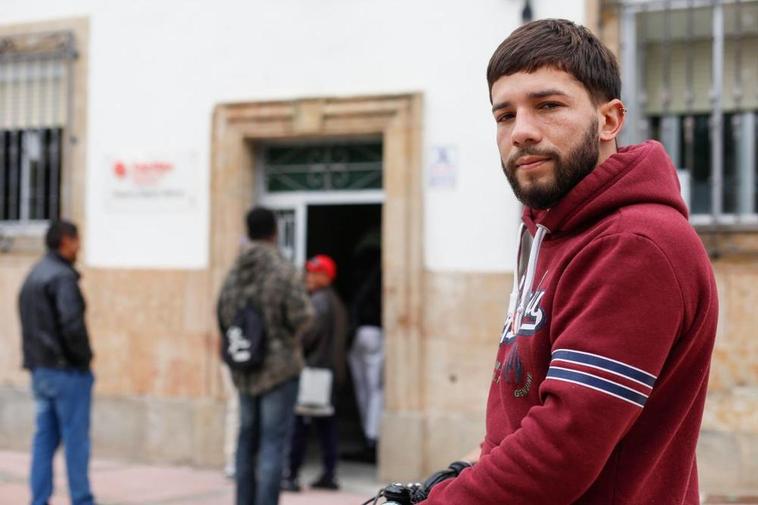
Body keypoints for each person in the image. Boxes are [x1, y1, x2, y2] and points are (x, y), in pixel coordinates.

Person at [420, 19, 718, 504]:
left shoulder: (635, 244)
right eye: (504, 115)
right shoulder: (553, 230)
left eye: (548, 106)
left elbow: (561, 451)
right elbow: (521, 416)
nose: (521, 132)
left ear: (609, 120)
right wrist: (461, 475)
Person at [217, 206, 314, 505]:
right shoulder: (281, 268)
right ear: (274, 231)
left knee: (246, 441)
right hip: (279, 370)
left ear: (248, 231)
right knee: (273, 444)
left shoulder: (235, 271)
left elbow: (222, 314)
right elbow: (302, 315)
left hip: (245, 369)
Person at [18, 219, 96, 505]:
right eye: (76, 241)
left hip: (41, 370)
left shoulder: (35, 274)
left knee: (44, 441)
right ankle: (82, 499)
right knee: (76, 442)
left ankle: (39, 499)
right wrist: (84, 360)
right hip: (67, 372)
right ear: (65, 241)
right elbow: (71, 326)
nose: (79, 247)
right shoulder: (62, 277)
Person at [282, 254, 348, 492]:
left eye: (315, 272)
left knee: (300, 424)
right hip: (328, 373)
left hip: (316, 373)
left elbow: (307, 335)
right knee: (326, 425)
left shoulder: (319, 302)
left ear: (326, 276)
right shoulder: (333, 300)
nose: (309, 277)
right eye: (308, 272)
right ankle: (329, 474)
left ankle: (291, 474)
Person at [346, 240, 382, 463]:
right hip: (374, 330)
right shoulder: (376, 270)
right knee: (375, 389)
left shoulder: (358, 269)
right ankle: (373, 438)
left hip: (361, 331)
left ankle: (370, 437)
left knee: (366, 389)